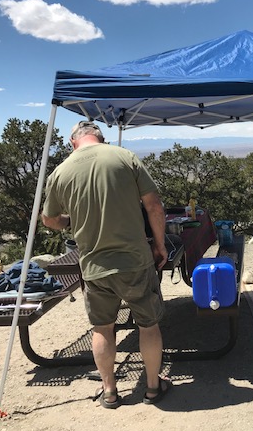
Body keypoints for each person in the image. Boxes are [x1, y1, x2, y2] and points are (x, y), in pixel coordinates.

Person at [41, 121, 171, 409]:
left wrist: (70, 221)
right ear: (101, 138)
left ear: (73, 142)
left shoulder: (60, 172)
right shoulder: (124, 157)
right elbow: (154, 205)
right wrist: (160, 245)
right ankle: (153, 388)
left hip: (94, 265)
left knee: (102, 328)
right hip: (134, 261)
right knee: (148, 325)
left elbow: (49, 220)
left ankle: (110, 392)